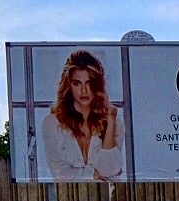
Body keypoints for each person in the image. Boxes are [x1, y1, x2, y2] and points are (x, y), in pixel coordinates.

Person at [42, 50, 124, 181]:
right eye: (77, 83)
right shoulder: (51, 123)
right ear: (68, 85)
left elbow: (110, 169)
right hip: (69, 196)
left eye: (89, 83)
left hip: (108, 195)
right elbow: (60, 173)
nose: (84, 90)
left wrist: (111, 121)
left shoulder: (113, 120)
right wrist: (94, 174)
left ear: (97, 85)